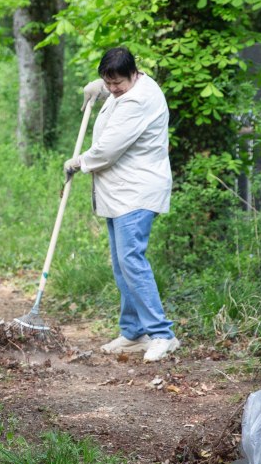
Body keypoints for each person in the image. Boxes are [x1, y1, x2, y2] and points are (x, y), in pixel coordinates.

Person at [68, 46, 179, 363]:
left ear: (134, 74)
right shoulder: (132, 84)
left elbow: (106, 151)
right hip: (119, 192)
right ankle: (133, 332)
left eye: (117, 83)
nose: (113, 89)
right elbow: (111, 87)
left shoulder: (138, 100)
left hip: (137, 191)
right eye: (108, 83)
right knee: (122, 264)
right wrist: (99, 87)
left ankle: (161, 334)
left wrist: (77, 162)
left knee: (131, 260)